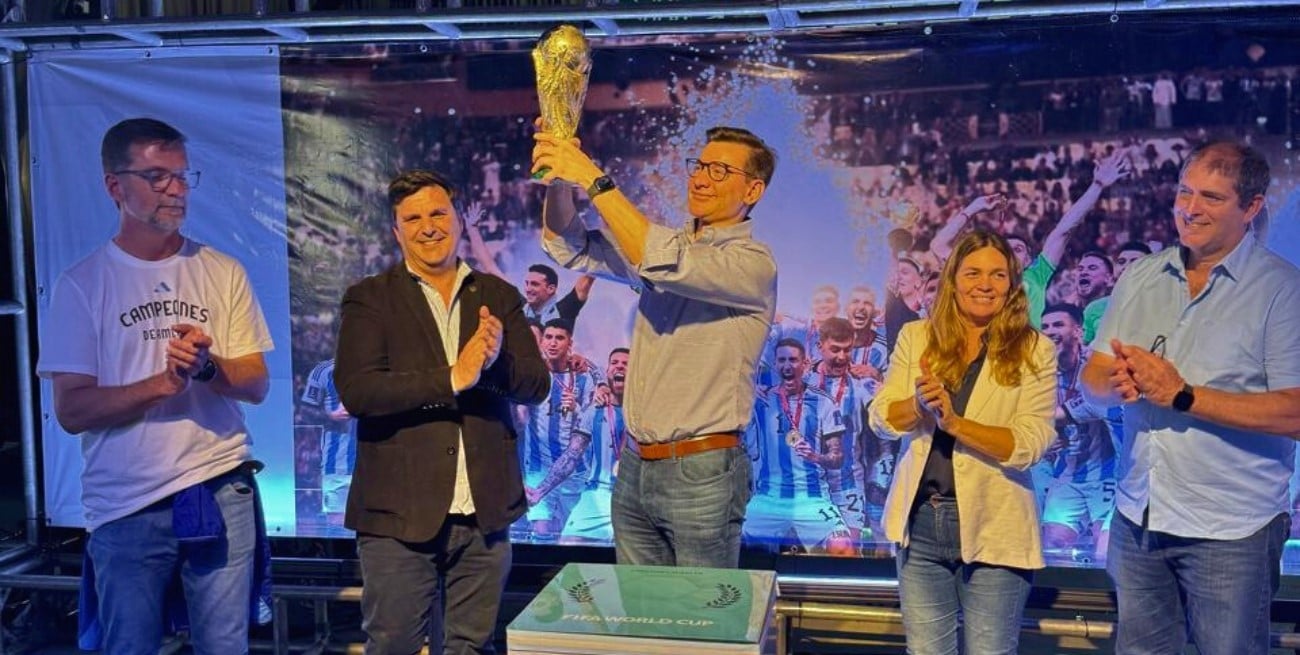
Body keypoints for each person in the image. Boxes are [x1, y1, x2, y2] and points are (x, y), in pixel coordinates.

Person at [37, 117, 273, 653]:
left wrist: (207, 369)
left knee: (225, 647)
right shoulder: (82, 284)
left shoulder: (222, 271)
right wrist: (160, 384)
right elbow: (71, 410)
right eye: (156, 176)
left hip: (218, 484)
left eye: (182, 175)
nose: (175, 189)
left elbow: (256, 383)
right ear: (114, 186)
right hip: (126, 504)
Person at [1081, 141, 1300, 655]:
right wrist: (1113, 384)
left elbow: (1295, 410)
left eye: (1211, 198)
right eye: (1184, 192)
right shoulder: (1141, 276)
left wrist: (1182, 395)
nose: (1190, 209)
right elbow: (1091, 378)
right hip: (1138, 518)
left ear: (1251, 207)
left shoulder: (1282, 289)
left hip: (1231, 529)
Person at [532, 125, 778, 567]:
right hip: (634, 464)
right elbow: (570, 245)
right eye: (700, 165)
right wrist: (559, 178)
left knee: (702, 607)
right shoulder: (664, 244)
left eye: (720, 171)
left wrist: (589, 175)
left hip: (703, 470)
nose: (700, 178)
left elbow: (658, 259)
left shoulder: (752, 265)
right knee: (641, 606)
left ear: (753, 190)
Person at [334, 169, 550, 655]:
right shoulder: (369, 298)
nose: (428, 227)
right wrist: (454, 376)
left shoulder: (498, 295)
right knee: (393, 646)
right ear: (396, 231)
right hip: (397, 516)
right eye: (413, 219)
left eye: (438, 213)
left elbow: (536, 386)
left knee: (472, 646)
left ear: (458, 219)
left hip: (485, 514)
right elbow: (359, 392)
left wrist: (493, 363)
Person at [868, 230, 1056, 654]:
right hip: (921, 523)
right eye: (973, 273)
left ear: (1012, 284)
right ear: (953, 279)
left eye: (998, 275)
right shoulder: (917, 336)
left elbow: (1031, 443)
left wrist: (955, 423)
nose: (985, 284)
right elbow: (881, 419)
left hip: (997, 522)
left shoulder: (1035, 349)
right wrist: (918, 406)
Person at [745, 338, 853, 554]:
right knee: (729, 542)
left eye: (793, 360)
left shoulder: (824, 401)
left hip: (811, 498)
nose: (787, 366)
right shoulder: (761, 399)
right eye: (782, 360)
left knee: (843, 547)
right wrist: (746, 392)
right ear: (775, 364)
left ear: (805, 364)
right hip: (768, 497)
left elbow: (838, 458)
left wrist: (815, 456)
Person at [1037, 304, 1114, 562]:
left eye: (1058, 325)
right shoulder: (1039, 374)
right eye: (1045, 327)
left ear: (1079, 332)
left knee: (1105, 551)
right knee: (1053, 545)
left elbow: (1104, 407)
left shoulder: (1095, 368)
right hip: (1066, 474)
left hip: (1106, 475)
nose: (1050, 331)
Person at [520, 318, 598, 540]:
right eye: (549, 337)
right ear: (542, 341)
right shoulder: (533, 376)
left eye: (560, 338)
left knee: (568, 538)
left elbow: (591, 423)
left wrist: (576, 409)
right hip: (539, 469)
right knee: (541, 534)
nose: (553, 343)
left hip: (575, 472)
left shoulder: (584, 379)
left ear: (570, 343)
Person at [560, 347, 631, 544]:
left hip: (630, 497)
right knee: (567, 544)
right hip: (596, 493)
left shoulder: (642, 410)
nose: (619, 367)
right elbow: (572, 454)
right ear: (607, 370)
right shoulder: (595, 409)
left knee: (625, 554)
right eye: (614, 363)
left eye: (626, 364)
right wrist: (540, 491)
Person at [522, 263, 594, 327]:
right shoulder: (520, 306)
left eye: (534, 284)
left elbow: (583, 286)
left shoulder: (564, 310)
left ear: (551, 289)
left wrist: (595, 261)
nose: (528, 289)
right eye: (527, 283)